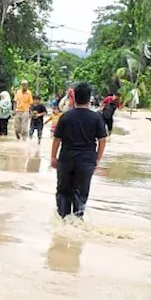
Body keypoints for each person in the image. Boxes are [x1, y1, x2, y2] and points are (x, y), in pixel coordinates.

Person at [51, 82, 109, 219]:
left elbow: (57, 139)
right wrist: (97, 159)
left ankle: (63, 219)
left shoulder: (65, 117)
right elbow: (102, 140)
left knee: (63, 191)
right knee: (81, 192)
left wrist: (53, 157)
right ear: (89, 99)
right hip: (86, 160)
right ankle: (77, 220)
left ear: (74, 98)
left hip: (66, 159)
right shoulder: (96, 118)